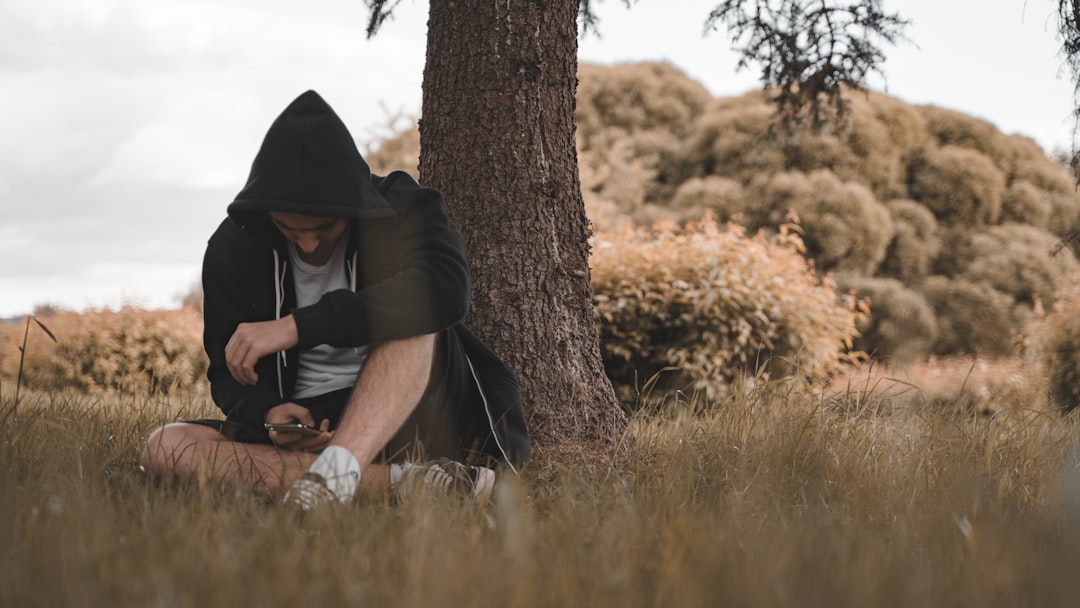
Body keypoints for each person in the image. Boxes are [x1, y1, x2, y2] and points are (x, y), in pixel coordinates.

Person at [140, 90, 530, 509]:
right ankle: (411, 484)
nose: (308, 245)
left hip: (416, 407)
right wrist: (268, 414)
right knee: (167, 446)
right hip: (311, 428)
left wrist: (296, 326)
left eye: (324, 229)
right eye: (290, 230)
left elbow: (446, 290)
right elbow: (226, 371)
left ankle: (338, 474)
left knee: (413, 314)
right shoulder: (233, 246)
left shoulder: (403, 205)